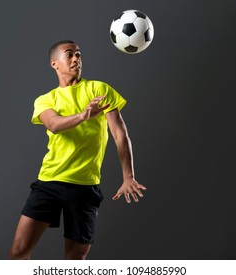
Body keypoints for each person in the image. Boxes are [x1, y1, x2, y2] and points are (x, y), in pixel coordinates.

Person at [9, 40, 146, 260]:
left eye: (79, 55)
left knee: (75, 262)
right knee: (18, 253)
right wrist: (84, 115)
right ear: (55, 64)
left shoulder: (99, 90)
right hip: (50, 182)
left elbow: (120, 133)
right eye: (69, 54)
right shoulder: (46, 100)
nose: (76, 59)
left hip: (85, 187)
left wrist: (128, 176)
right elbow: (54, 125)